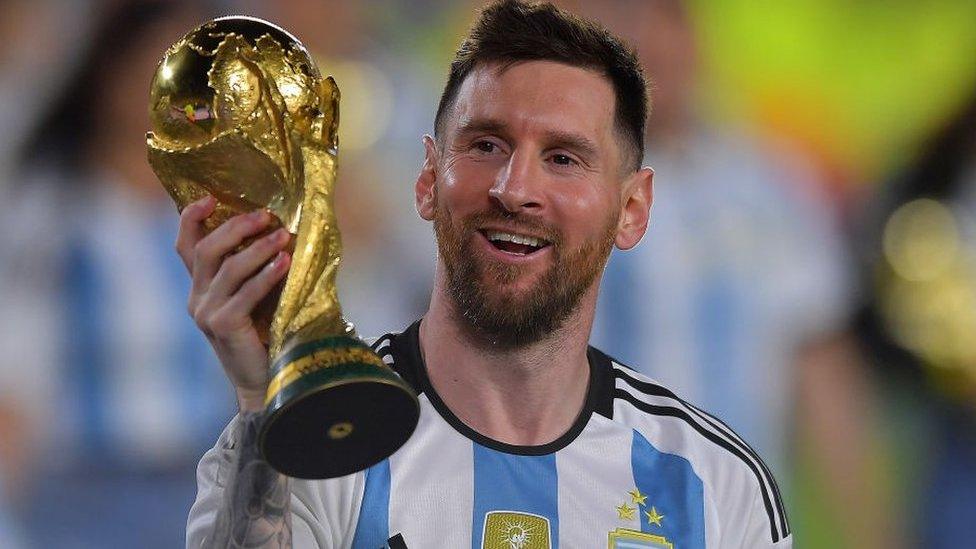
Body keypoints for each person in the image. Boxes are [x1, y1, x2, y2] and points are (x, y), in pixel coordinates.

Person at [185, 1, 791, 547]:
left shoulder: (714, 488)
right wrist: (263, 397)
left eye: (563, 158)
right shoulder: (320, 442)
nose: (515, 190)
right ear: (427, 181)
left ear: (631, 210)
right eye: (486, 146)